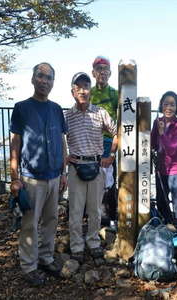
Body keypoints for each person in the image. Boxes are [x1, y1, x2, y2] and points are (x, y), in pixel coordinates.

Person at [10, 62, 67, 286]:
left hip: (54, 175)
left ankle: (46, 257)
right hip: (31, 177)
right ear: (33, 79)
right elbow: (15, 144)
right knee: (30, 223)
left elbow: (62, 142)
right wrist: (14, 178)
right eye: (40, 76)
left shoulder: (56, 108)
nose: (44, 81)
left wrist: (63, 172)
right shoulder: (22, 108)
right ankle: (29, 266)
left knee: (51, 220)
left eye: (49, 77)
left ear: (53, 82)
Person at [65, 72, 117, 264]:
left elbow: (116, 132)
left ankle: (93, 242)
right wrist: (64, 156)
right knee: (76, 211)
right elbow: (58, 138)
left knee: (95, 210)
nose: (83, 91)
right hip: (75, 166)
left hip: (96, 166)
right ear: (73, 92)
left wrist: (110, 155)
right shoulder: (67, 116)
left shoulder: (100, 113)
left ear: (90, 91)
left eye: (86, 87)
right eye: (78, 87)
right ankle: (76, 246)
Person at [151, 91, 177, 241]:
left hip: (176, 170)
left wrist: (162, 133)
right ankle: (165, 232)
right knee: (162, 202)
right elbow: (153, 143)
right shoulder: (158, 122)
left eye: (172, 104)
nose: (168, 107)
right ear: (161, 105)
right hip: (161, 169)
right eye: (166, 104)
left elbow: (172, 149)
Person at [90, 56, 119, 229]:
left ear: (110, 73)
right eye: (98, 69)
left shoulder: (115, 94)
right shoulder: (88, 92)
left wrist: (114, 151)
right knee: (93, 181)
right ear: (93, 73)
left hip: (110, 143)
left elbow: (123, 122)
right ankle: (95, 217)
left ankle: (108, 218)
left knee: (109, 182)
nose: (102, 72)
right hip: (91, 144)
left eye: (105, 69)